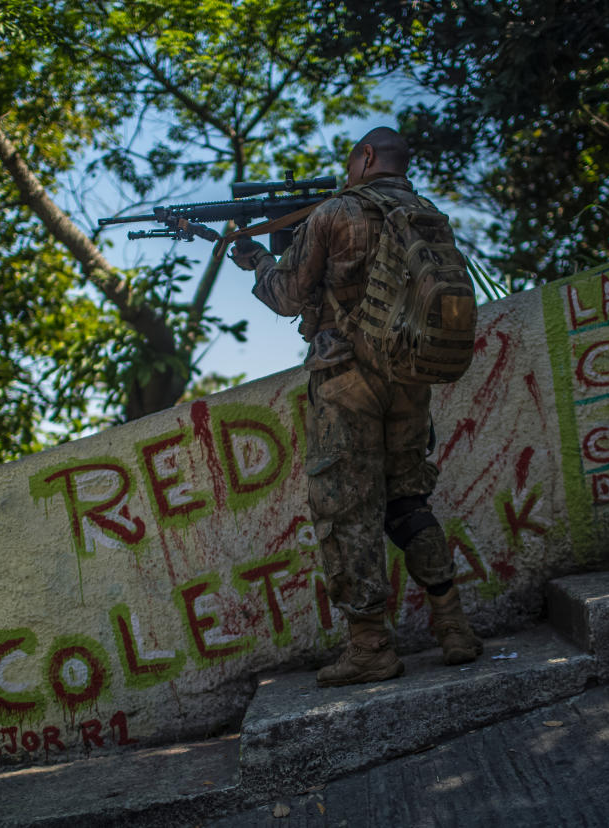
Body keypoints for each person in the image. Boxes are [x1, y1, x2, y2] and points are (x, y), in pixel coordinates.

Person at [230, 127, 483, 687]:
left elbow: (290, 295)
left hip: (346, 379)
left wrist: (253, 263)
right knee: (407, 500)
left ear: (366, 157)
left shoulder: (337, 211)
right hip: (410, 378)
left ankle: (370, 646)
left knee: (348, 511)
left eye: (351, 162)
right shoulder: (423, 212)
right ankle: (453, 626)